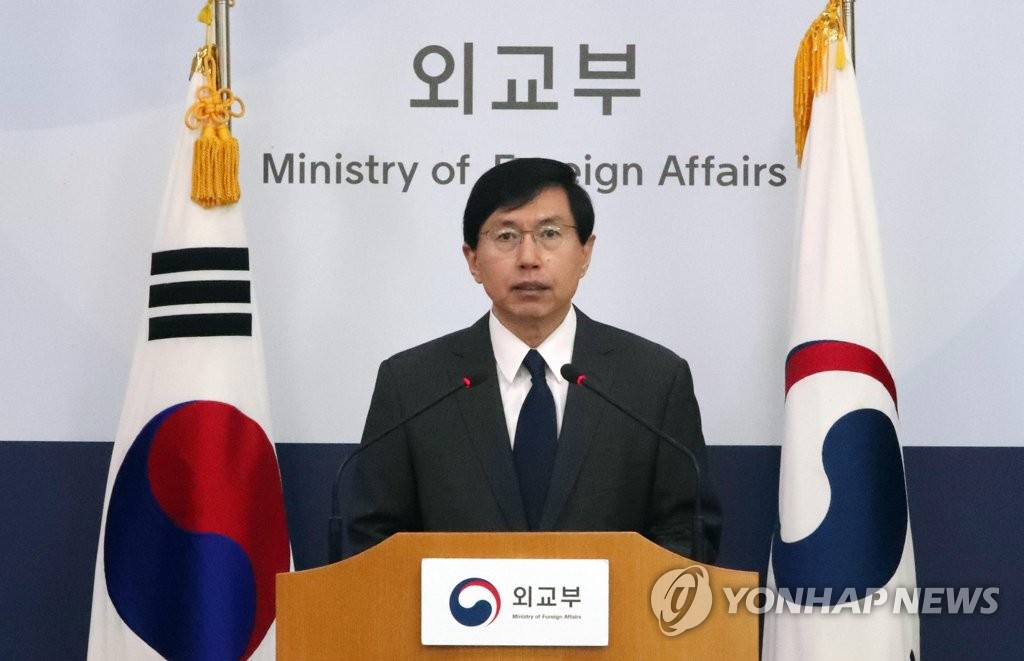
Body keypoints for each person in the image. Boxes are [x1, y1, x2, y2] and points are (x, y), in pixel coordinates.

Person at [341, 157, 720, 561]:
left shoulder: (653, 381)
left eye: (550, 234)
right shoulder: (413, 384)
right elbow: (372, 541)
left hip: (617, 604)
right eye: (506, 236)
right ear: (473, 260)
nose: (529, 258)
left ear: (585, 253)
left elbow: (687, 532)